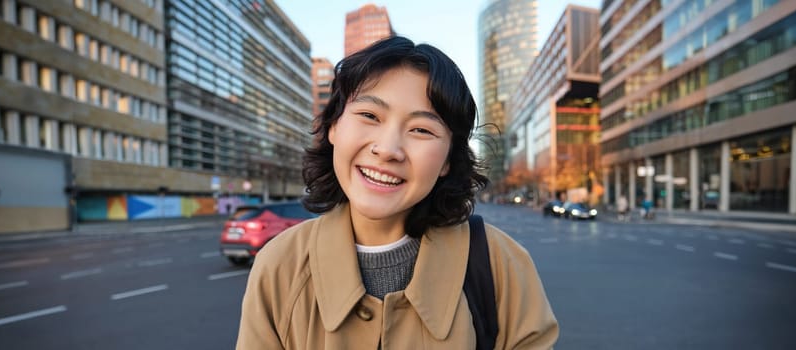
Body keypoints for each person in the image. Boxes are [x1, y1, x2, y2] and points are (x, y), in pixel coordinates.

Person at [236, 36, 558, 349]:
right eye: (369, 116)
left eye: (421, 129)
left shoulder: (502, 265)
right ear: (333, 126)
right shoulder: (279, 267)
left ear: (448, 159)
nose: (388, 149)